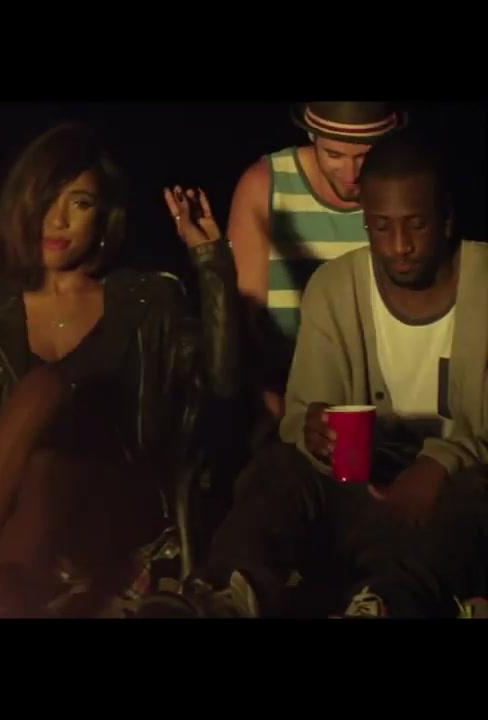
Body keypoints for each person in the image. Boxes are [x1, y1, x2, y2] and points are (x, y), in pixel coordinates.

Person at [139, 131, 488, 618]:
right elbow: (301, 418)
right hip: (362, 492)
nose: (400, 246)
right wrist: (314, 431)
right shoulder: (336, 286)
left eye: (417, 225)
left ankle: (385, 604)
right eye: (382, 227)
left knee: (474, 497)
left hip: (448, 503)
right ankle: (225, 593)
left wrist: (440, 465)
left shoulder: (482, 281)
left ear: (446, 219)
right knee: (277, 470)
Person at [0, 122, 240, 615]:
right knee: (41, 471)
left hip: (120, 501)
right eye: (46, 200)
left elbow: (223, 390)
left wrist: (211, 264)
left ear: (104, 216)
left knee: (46, 388)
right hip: (21, 512)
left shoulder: (149, 299)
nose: (58, 219)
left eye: (79, 203)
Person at [227, 102, 405, 421]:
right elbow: (247, 319)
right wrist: (278, 411)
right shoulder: (265, 185)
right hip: (287, 400)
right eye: (334, 155)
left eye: (364, 156)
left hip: (389, 398)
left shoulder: (408, 186)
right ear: (312, 135)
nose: (351, 174)